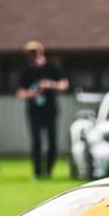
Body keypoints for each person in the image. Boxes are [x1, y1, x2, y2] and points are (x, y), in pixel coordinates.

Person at [16, 41, 69, 179]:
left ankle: (49, 171)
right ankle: (38, 172)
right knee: (37, 142)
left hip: (50, 111)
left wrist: (50, 84)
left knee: (52, 142)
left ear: (41, 53)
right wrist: (31, 94)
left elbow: (64, 85)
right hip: (34, 112)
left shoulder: (51, 68)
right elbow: (20, 92)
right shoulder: (27, 72)